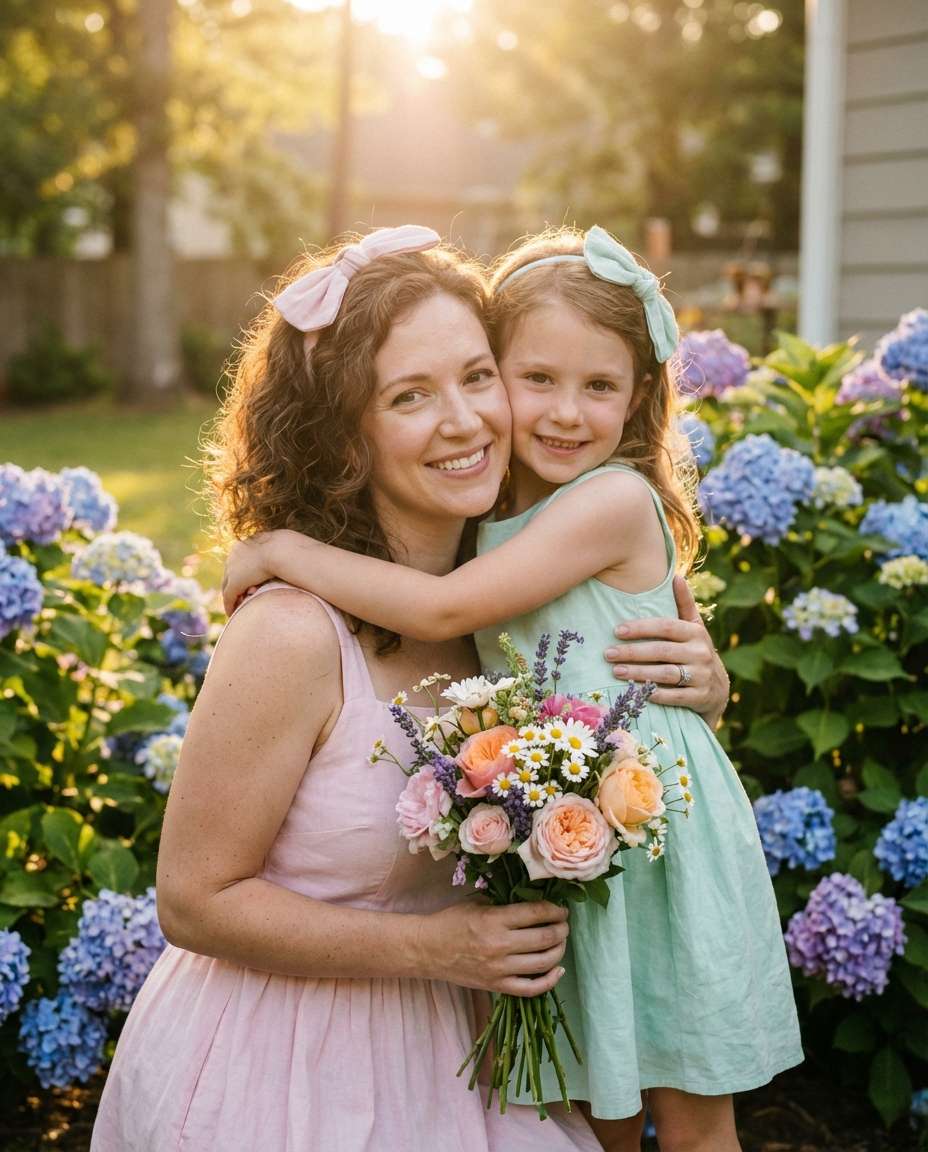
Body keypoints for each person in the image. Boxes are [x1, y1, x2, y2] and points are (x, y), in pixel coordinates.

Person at [220, 226, 803, 1152]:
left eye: (600, 386)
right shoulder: (494, 508)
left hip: (652, 834)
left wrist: (284, 551)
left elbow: (447, 607)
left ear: (641, 393)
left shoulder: (609, 500)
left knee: (691, 1126)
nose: (565, 412)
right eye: (536, 379)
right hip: (569, 829)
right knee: (595, 1114)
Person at [90, 226, 601, 1152]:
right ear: (344, 438)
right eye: (410, 395)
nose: (466, 421)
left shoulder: (517, 615)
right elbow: (193, 899)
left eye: (477, 375)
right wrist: (434, 949)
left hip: (461, 1050)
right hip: (285, 1072)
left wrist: (703, 686)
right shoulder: (291, 635)